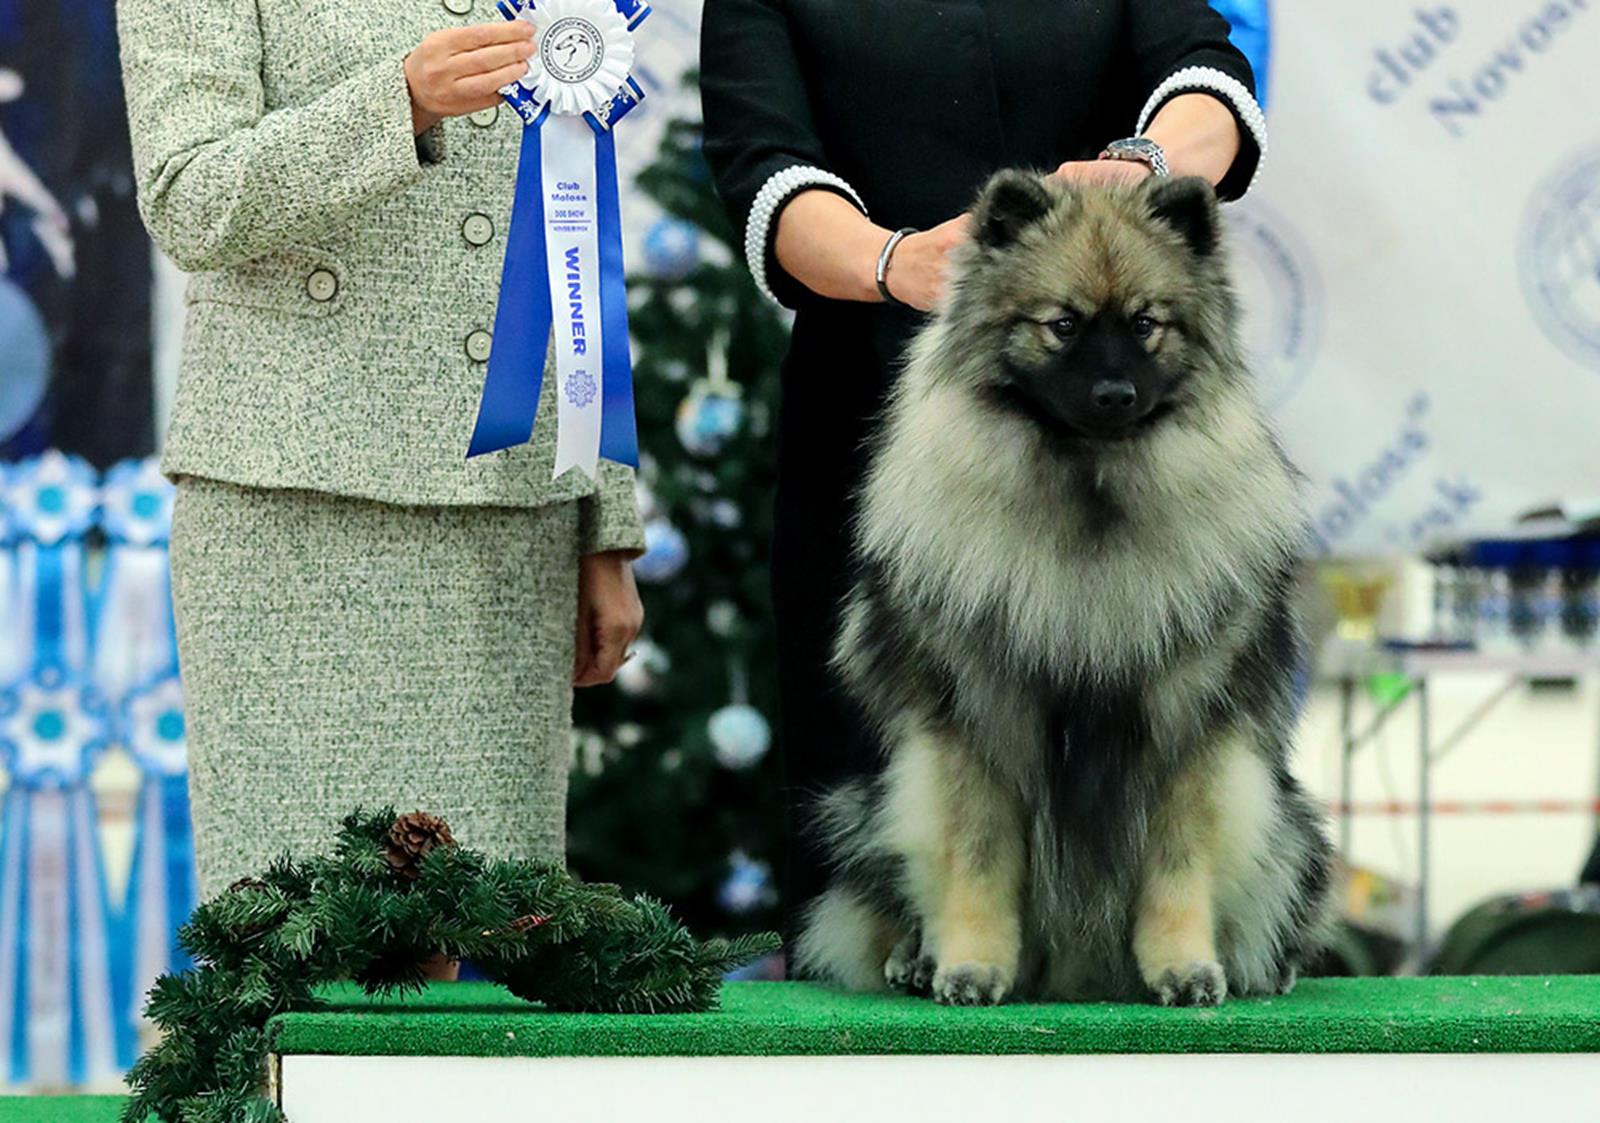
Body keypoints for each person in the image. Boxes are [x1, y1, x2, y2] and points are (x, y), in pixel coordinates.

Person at [700, 0, 1268, 940]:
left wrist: (1142, 165)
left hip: (1140, 477)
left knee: (1167, 758)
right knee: (876, 836)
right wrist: (895, 262)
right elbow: (765, 170)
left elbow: (1209, 80)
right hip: (878, 437)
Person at [118, 3, 645, 931]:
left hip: (506, 510)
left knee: (479, 947)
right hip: (286, 494)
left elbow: (575, 235)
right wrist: (397, 102)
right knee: (287, 935)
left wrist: (605, 524)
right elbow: (187, 199)